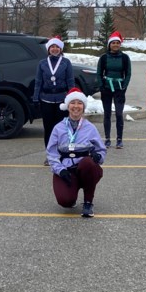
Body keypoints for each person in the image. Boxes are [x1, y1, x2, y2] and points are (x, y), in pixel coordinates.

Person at [47, 87, 106, 217]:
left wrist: (98, 156)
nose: (76, 106)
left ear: (83, 107)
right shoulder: (58, 128)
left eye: (79, 103)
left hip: (84, 168)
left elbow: (101, 150)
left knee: (88, 164)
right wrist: (60, 170)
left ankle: (88, 202)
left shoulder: (90, 128)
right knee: (65, 201)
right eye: (72, 103)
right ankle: (71, 192)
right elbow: (51, 154)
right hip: (66, 170)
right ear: (67, 106)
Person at [33, 35, 75, 162]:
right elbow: (38, 82)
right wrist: (36, 97)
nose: (54, 49)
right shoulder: (42, 63)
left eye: (57, 47)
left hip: (62, 100)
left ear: (61, 49)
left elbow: (70, 81)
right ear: (48, 49)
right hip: (46, 99)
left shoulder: (66, 63)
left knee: (62, 129)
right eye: (52, 47)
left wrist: (72, 98)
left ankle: (62, 153)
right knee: (49, 129)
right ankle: (50, 154)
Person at [97, 31, 132, 149]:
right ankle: (107, 138)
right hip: (106, 88)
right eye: (113, 43)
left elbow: (128, 73)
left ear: (120, 44)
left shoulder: (125, 58)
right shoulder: (104, 57)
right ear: (109, 45)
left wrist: (124, 86)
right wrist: (101, 86)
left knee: (118, 114)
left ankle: (119, 139)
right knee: (107, 114)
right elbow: (99, 73)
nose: (115, 45)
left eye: (117, 43)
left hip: (119, 89)